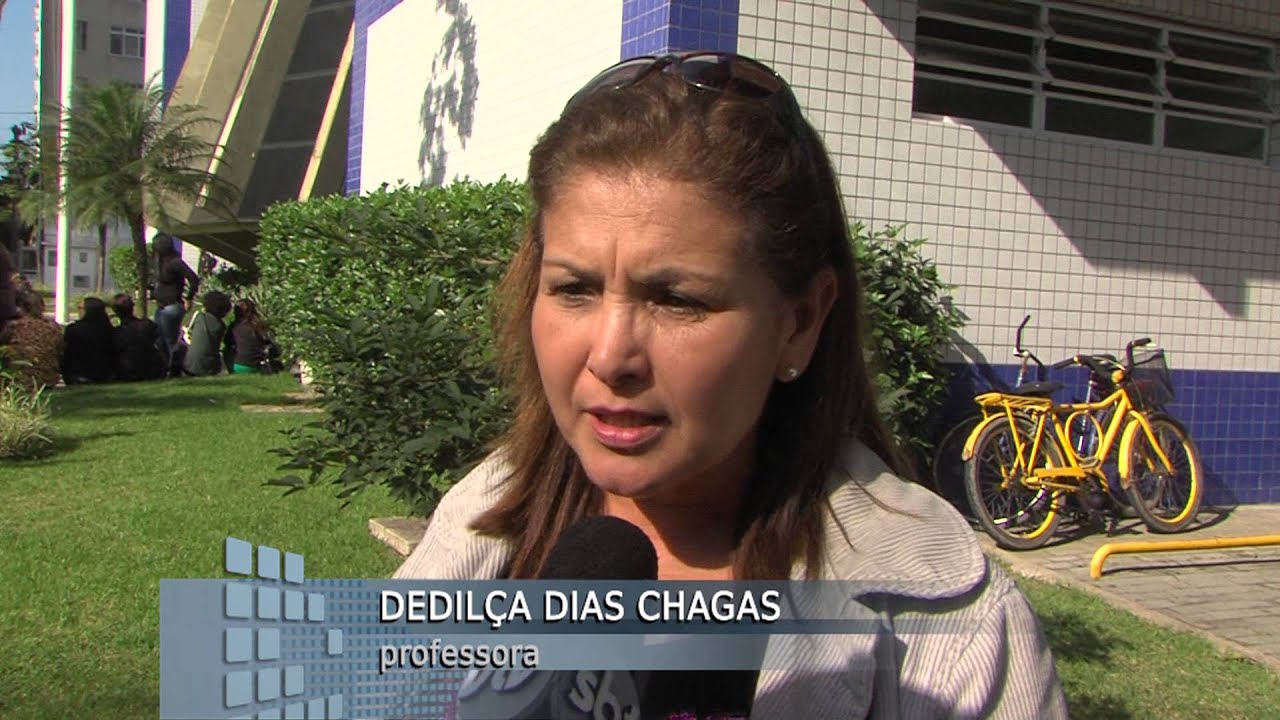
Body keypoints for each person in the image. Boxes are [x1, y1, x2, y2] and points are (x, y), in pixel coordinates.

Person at [392, 53, 1067, 718]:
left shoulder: (949, 620)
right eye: (575, 289)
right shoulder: (481, 515)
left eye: (677, 300)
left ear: (799, 323)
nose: (610, 356)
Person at [150, 233, 199, 377]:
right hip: (161, 306)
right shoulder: (160, 261)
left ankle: (175, 370)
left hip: (172, 304)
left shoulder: (175, 262)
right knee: (160, 340)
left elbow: (193, 279)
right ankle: (165, 368)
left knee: (170, 340)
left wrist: (188, 297)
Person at [0, 287, 63, 389]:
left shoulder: (14, 326)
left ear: (21, 307)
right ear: (43, 307)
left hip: (20, 378)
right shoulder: (53, 327)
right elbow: (60, 350)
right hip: (48, 379)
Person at [110, 293, 166, 382]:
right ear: (133, 307)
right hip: (152, 370)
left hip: (127, 373)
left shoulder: (116, 333)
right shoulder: (148, 325)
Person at [60, 296, 116, 384]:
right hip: (105, 374)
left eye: (80, 308)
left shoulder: (73, 329)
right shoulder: (110, 330)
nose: (78, 311)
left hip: (77, 374)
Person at [181, 291, 231, 376]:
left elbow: (187, 331)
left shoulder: (199, 316)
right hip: (210, 368)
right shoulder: (221, 326)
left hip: (189, 367)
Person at [223, 298, 273, 374]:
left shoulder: (234, 327)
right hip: (256, 365)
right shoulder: (259, 326)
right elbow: (268, 342)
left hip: (237, 366)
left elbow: (227, 342)